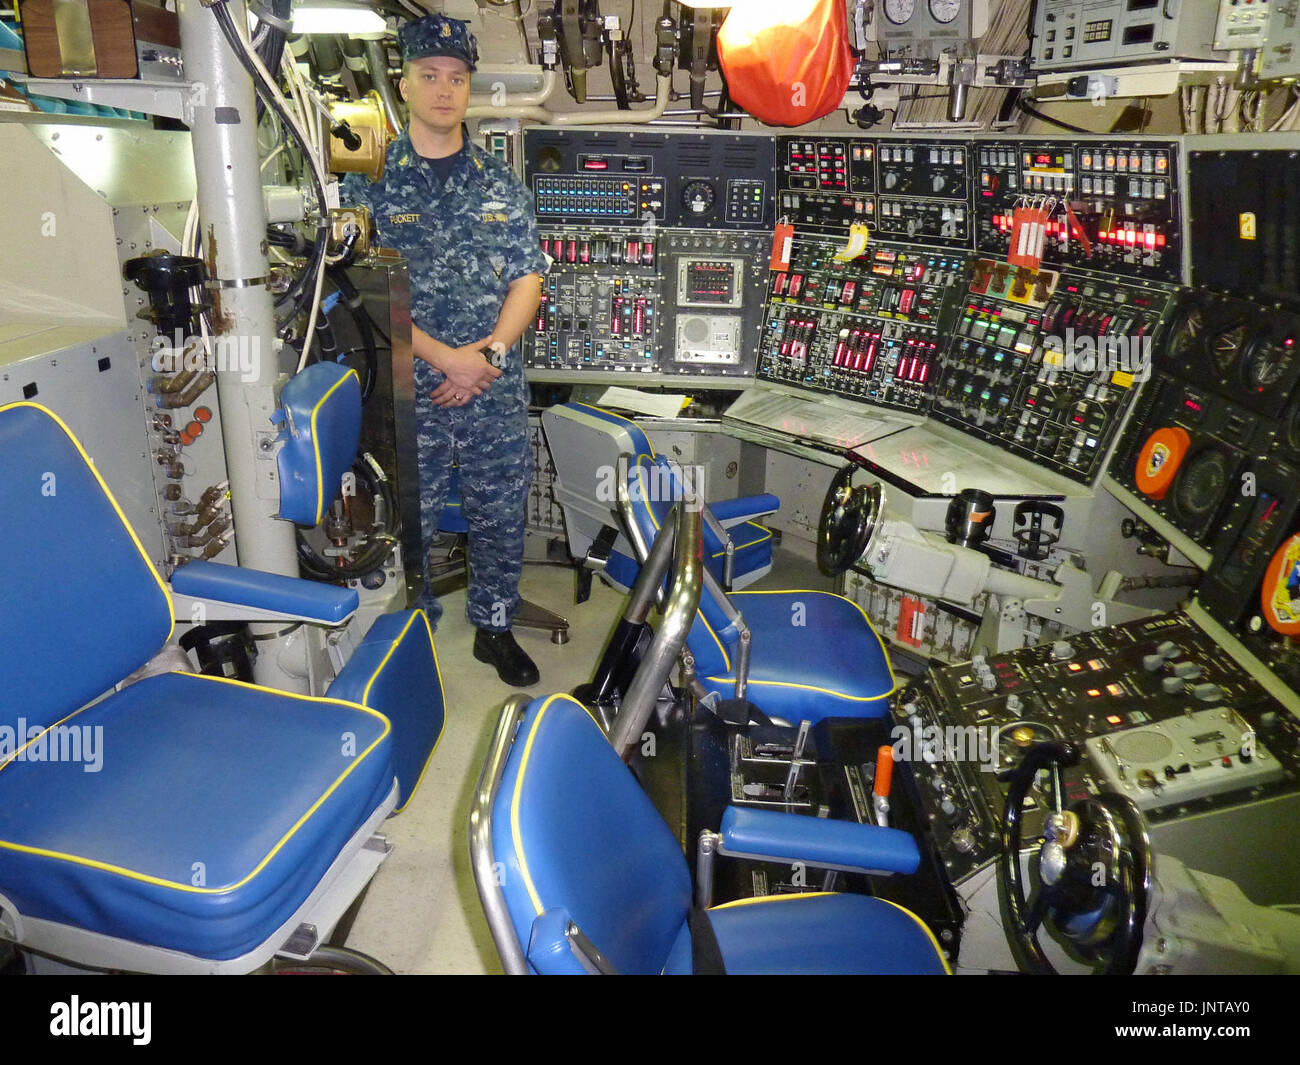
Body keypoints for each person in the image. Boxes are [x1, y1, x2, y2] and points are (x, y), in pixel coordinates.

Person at [341, 15, 547, 686]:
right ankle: (413, 621)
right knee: (409, 514)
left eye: (456, 78)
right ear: (404, 85)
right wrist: (443, 357)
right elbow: (363, 293)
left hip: (492, 382)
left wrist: (486, 357)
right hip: (410, 387)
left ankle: (494, 625)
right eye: (429, 76)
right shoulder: (366, 187)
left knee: (498, 508)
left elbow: (528, 277)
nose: (443, 90)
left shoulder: (500, 184)